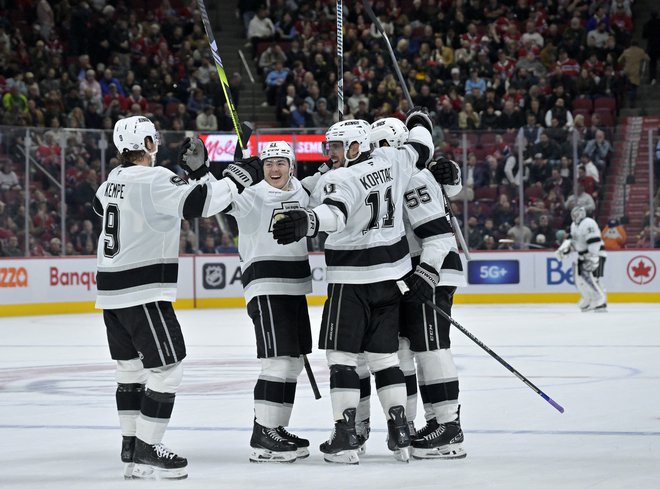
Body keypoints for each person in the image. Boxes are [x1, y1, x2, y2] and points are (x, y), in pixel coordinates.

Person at [93, 116, 263, 479]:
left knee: (130, 370)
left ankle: (131, 445)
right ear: (149, 144)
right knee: (168, 370)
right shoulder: (153, 179)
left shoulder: (112, 181)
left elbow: (111, 208)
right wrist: (237, 176)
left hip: (110, 294)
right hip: (143, 292)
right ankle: (147, 446)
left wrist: (195, 175)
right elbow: (202, 204)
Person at [271, 111, 440, 464]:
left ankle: (347, 436)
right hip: (391, 280)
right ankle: (401, 430)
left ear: (354, 146)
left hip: (351, 282)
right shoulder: (393, 159)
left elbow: (335, 215)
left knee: (342, 360)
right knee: (385, 358)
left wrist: (308, 221)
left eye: (335, 146)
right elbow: (422, 145)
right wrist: (420, 119)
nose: (328, 153)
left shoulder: (341, 178)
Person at [369, 118, 468, 460]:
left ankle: (448, 427)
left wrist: (426, 273)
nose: (377, 154)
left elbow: (438, 235)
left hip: (431, 269)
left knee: (432, 348)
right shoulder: (399, 177)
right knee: (411, 349)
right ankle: (431, 423)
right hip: (417, 270)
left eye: (383, 145)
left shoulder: (411, 177)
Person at [221, 141, 313, 463]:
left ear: (292, 166)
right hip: (266, 285)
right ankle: (263, 434)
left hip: (295, 287)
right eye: (269, 163)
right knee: (276, 362)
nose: (275, 169)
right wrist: (236, 168)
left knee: (293, 362)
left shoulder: (303, 191)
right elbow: (221, 198)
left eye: (281, 163)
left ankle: (276, 428)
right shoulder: (251, 196)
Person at [555, 206, 607, 312]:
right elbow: (576, 242)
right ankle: (588, 300)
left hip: (596, 254)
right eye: (573, 214)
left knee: (593, 279)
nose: (575, 216)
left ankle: (600, 301)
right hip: (583, 255)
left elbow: (594, 241)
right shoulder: (573, 225)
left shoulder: (589, 223)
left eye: (576, 214)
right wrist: (565, 250)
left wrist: (592, 256)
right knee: (580, 281)